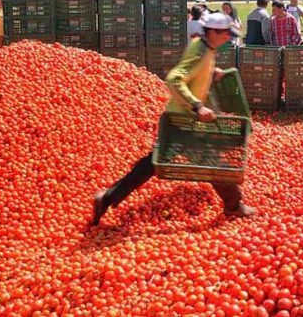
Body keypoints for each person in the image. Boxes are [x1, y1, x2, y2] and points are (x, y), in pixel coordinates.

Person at [92, 13, 256, 225]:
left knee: (152, 163)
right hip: (186, 120)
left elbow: (192, 67)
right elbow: (175, 78)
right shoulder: (201, 51)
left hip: (177, 118)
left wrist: (211, 71)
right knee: (215, 164)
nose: (228, 38)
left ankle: (106, 198)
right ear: (213, 32)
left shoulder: (203, 45)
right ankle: (234, 205)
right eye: (225, 34)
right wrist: (197, 106)